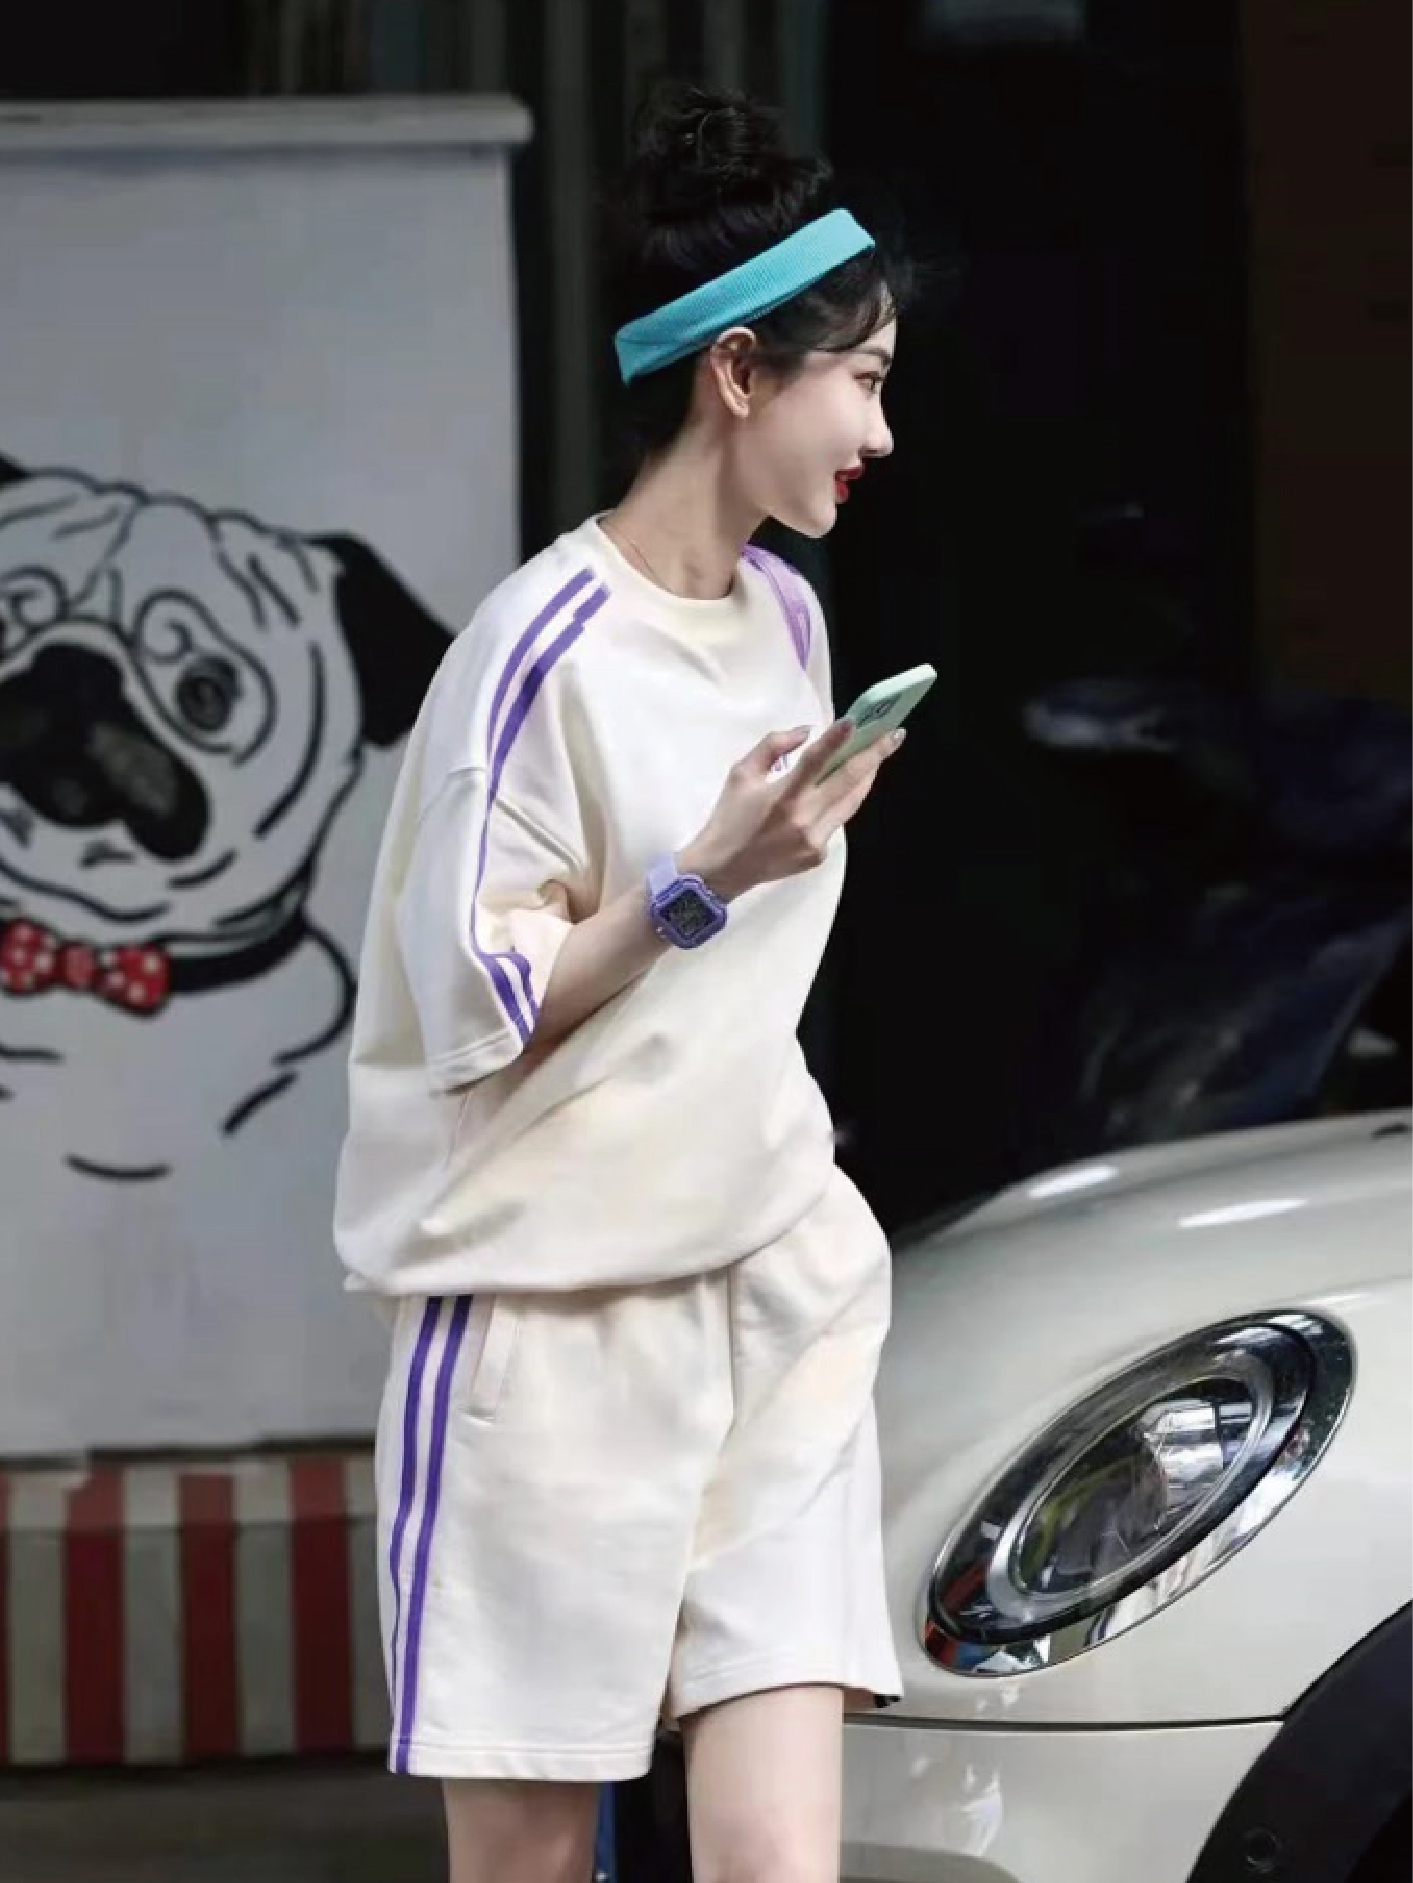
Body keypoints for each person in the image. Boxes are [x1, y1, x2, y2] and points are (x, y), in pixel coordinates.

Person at [334, 81, 914, 1883]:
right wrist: (699, 880)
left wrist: (762, 852)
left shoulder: (789, 616)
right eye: (861, 379)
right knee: (524, 1867)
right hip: (551, 1322)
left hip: (774, 1277)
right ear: (737, 372)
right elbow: (477, 1006)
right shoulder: (536, 652)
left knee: (776, 1865)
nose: (881, 431)